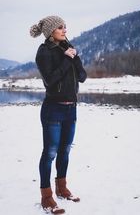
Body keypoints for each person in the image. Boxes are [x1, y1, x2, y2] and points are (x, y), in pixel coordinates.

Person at [30, 15, 87, 214]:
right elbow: (50, 80)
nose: (65, 30)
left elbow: (82, 76)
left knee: (65, 151)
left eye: (65, 26)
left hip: (71, 109)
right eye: (60, 27)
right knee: (50, 153)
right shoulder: (44, 52)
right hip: (53, 109)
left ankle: (62, 189)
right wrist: (66, 59)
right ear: (51, 31)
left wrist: (75, 57)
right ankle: (47, 197)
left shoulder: (67, 47)